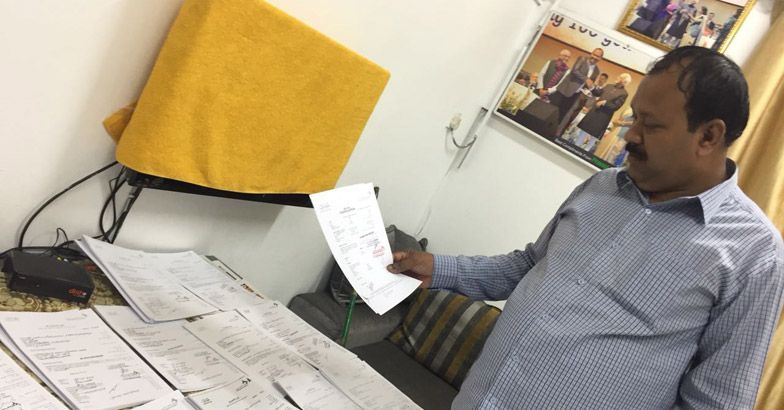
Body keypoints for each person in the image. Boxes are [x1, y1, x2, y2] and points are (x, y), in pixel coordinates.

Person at [388, 46, 784, 409]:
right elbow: (530, 266)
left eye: (650, 125)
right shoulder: (601, 186)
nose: (630, 135)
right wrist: (439, 268)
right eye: (634, 117)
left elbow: (716, 400)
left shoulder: (755, 253)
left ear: (709, 136)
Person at [541, 48, 603, 132]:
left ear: (600, 58)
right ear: (591, 53)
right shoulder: (582, 59)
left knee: (562, 115)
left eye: (598, 56)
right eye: (594, 54)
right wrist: (586, 79)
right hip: (564, 90)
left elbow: (588, 84)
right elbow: (574, 71)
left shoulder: (597, 71)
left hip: (575, 94)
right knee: (551, 110)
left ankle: (549, 132)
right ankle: (540, 127)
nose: (595, 57)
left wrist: (590, 88)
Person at [571, 73, 632, 151]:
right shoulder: (609, 86)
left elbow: (616, 106)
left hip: (604, 116)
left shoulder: (624, 93)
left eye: (619, 77)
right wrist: (592, 87)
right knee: (584, 129)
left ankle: (586, 150)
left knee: (594, 135)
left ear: (623, 81)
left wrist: (605, 103)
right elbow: (598, 93)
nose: (617, 77)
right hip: (595, 111)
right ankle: (576, 146)